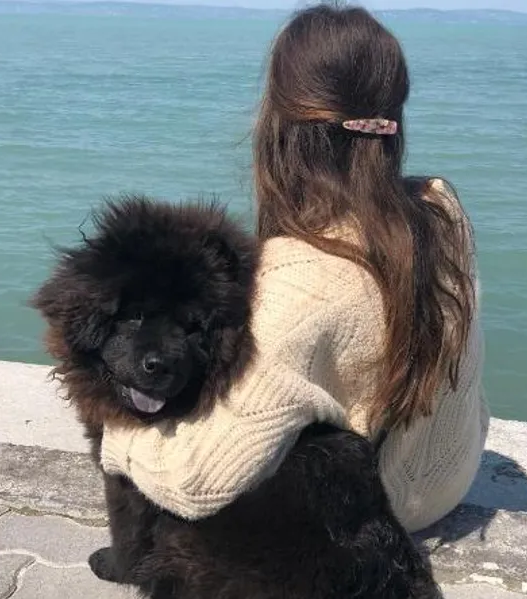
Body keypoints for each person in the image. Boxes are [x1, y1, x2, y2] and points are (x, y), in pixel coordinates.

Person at [100, 3, 489, 533]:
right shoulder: (441, 206)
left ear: (280, 122)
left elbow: (197, 483)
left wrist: (116, 426)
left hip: (383, 509)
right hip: (451, 472)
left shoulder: (299, 282)